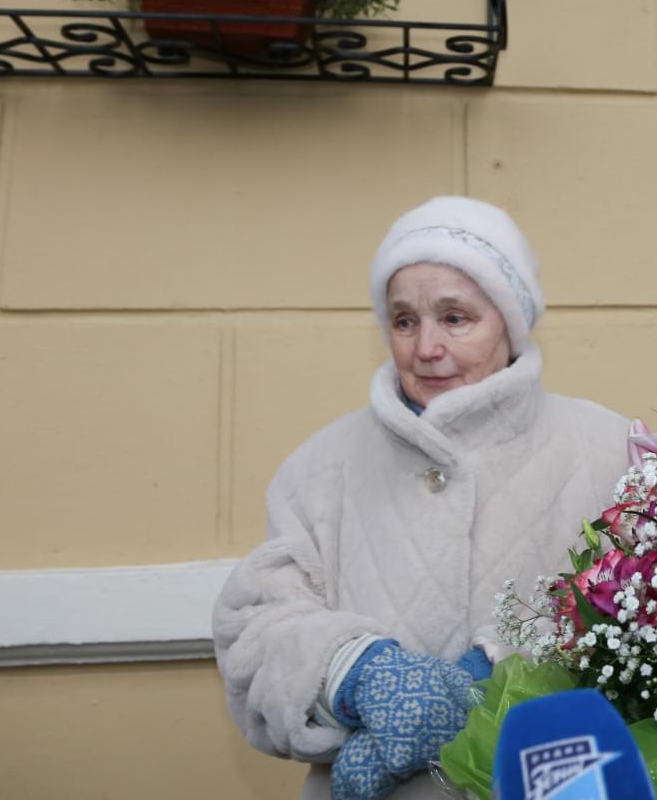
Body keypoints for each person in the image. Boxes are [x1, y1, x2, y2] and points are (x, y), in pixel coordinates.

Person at [213, 197, 631, 800]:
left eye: (455, 318)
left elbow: (650, 616)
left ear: (510, 322)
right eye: (405, 321)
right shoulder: (319, 468)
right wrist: (352, 671)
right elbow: (253, 628)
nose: (426, 347)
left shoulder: (609, 451)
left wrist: (493, 677)